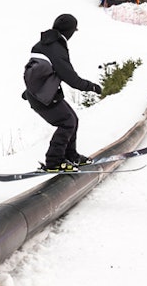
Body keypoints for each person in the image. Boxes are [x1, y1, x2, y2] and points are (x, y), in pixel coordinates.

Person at [22, 14, 103, 172]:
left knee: (72, 119)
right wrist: (91, 87)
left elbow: (38, 71)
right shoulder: (56, 48)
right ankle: (54, 161)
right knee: (67, 122)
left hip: (42, 94)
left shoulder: (42, 44)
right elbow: (70, 77)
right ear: (70, 31)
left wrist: (30, 91)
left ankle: (71, 156)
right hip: (44, 97)